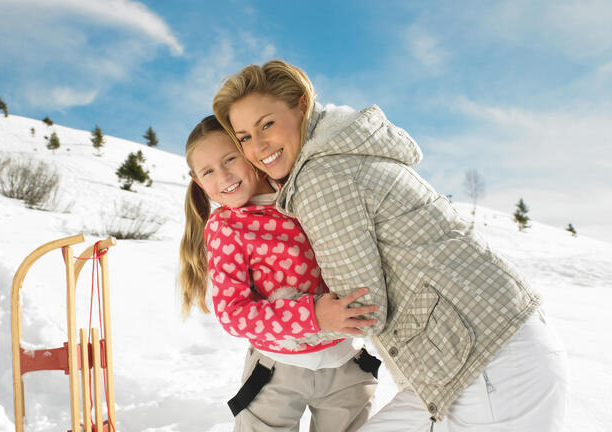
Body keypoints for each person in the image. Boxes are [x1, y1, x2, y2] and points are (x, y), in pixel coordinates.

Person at [212, 60, 569, 431]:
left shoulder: (320, 176)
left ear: (301, 105)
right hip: (494, 349)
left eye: (266, 124)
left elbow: (361, 309)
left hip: (490, 367)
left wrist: (283, 333)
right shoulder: (341, 150)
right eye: (244, 137)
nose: (258, 146)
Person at [178, 115, 380, 431]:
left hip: (346, 362)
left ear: (249, 152)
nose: (224, 175)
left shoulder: (300, 190)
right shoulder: (227, 227)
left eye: (230, 159)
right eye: (208, 171)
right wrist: (313, 315)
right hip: (278, 369)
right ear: (197, 180)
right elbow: (234, 314)